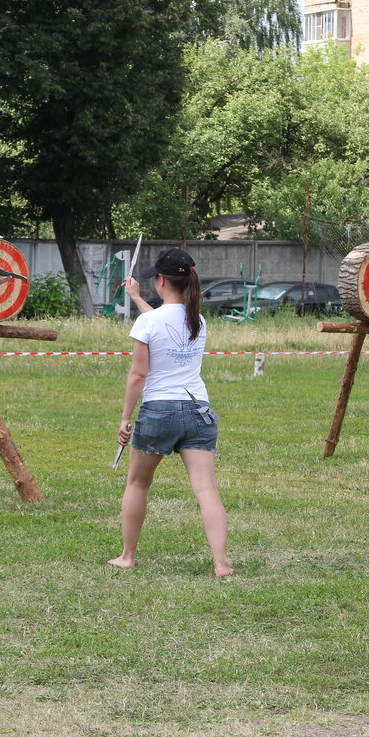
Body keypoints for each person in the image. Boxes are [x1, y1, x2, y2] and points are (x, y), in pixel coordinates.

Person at [109, 247, 233, 577]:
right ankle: (221, 562)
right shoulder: (199, 321)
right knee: (206, 489)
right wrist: (137, 298)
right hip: (198, 410)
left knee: (137, 484)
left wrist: (124, 416)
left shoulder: (148, 322)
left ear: (161, 281)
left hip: (159, 410)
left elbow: (138, 375)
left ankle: (128, 556)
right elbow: (166, 326)